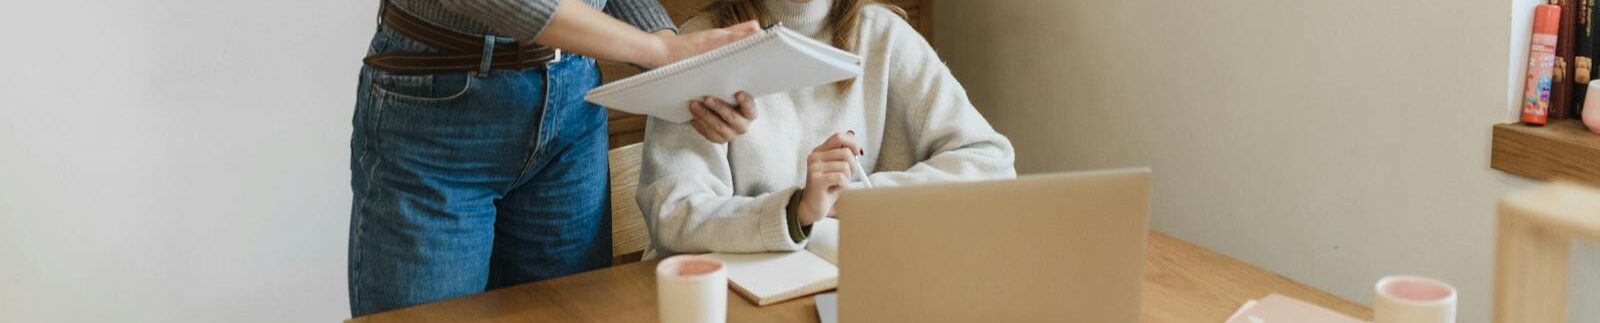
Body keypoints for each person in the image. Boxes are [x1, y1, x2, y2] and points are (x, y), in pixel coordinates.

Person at [347, 0, 762, 316]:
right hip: (440, 104)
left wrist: (675, 59)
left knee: (572, 313)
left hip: (572, 101)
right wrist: (656, 50)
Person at [636, 0, 1016, 256]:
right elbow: (673, 215)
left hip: (855, 283)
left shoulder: (885, 36)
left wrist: (854, 200)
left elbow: (991, 163)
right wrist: (795, 211)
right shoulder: (700, 46)